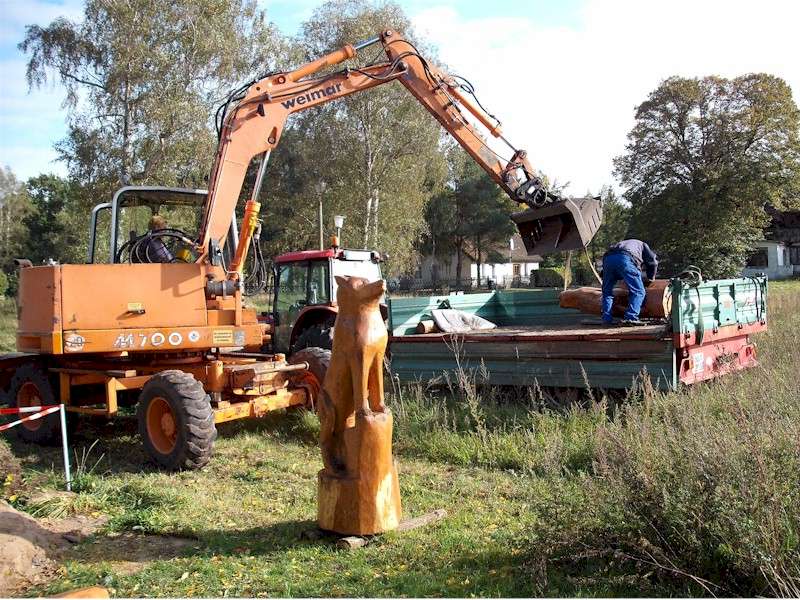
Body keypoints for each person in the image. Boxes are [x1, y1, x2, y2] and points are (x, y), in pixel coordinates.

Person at [601, 239, 658, 326]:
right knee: (639, 292)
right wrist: (651, 278)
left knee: (607, 292)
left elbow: (611, 265)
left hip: (608, 259)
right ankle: (631, 317)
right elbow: (653, 262)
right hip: (625, 259)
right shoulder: (643, 245)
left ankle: (606, 319)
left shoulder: (621, 243)